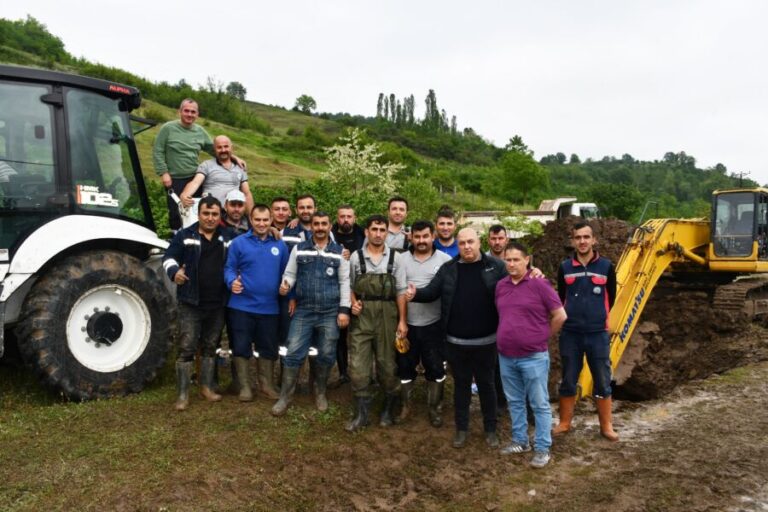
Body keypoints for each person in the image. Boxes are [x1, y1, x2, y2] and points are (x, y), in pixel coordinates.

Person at [406, 228, 506, 448]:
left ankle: (491, 430)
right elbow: (432, 291)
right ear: (457, 246)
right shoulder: (449, 268)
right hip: (455, 342)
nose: (466, 247)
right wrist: (416, 294)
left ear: (479, 243)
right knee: (461, 387)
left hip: (487, 341)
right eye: (462, 243)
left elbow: (515, 285)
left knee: (487, 386)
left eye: (471, 242)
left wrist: (533, 273)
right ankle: (462, 429)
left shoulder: (495, 267)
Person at [271, 212, 351, 415]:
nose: (320, 227)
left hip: (329, 312)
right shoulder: (299, 249)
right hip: (304, 311)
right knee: (293, 352)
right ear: (311, 227)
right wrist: (286, 285)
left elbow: (344, 282)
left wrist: (343, 310)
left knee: (325, 353)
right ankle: (285, 397)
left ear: (329, 226)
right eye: (317, 224)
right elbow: (290, 273)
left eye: (324, 224)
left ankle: (320, 392)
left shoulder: (339, 252)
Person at [496, 242, 567, 468]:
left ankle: (543, 448)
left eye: (516, 259)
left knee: (539, 403)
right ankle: (520, 441)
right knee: (515, 401)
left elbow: (560, 315)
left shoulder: (540, 285)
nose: (511, 264)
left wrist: (542, 336)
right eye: (508, 259)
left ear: (527, 260)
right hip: (506, 355)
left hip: (533, 356)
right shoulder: (501, 286)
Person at [162, 195, 233, 411]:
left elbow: (251, 239)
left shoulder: (228, 237)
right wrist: (174, 272)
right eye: (206, 214)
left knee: (211, 346)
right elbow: (168, 258)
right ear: (199, 214)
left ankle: (206, 387)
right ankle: (183, 395)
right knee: (186, 347)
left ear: (220, 215)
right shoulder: (185, 236)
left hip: (217, 303)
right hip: (191, 302)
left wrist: (277, 231)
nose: (210, 218)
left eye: (214, 214)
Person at [553, 221, 619, 441]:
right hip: (570, 334)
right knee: (569, 378)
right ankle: (564, 423)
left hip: (597, 334)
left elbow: (612, 296)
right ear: (573, 241)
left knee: (602, 379)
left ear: (594, 240)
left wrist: (599, 319)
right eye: (578, 237)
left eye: (586, 237)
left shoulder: (606, 267)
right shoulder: (565, 267)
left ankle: (606, 426)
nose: (582, 241)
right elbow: (562, 298)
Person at [346, 214, 408, 431]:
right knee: (358, 367)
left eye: (382, 230)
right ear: (367, 232)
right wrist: (353, 303)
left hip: (387, 315)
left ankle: (388, 408)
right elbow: (350, 286)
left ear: (386, 233)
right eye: (374, 229)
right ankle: (361, 414)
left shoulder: (396, 258)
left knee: (387, 366)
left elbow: (401, 291)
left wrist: (402, 321)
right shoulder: (356, 257)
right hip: (362, 317)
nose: (378, 234)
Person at [224, 204, 289, 402]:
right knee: (241, 346)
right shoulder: (238, 243)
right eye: (257, 220)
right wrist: (231, 281)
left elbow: (288, 272)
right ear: (251, 220)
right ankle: (245, 387)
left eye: (265, 220)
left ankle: (267, 385)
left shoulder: (280, 245)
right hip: (241, 306)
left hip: (270, 308)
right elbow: (228, 268)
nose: (261, 223)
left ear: (271, 221)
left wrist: (287, 288)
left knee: (268, 347)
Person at [152, 99, 244, 231]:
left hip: (195, 178)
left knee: (197, 210)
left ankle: (199, 237)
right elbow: (158, 150)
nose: (189, 114)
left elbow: (214, 149)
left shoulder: (200, 131)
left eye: (193, 112)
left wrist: (234, 157)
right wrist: (163, 172)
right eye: (187, 111)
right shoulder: (168, 128)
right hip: (174, 178)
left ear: (197, 114)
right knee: (176, 211)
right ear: (180, 111)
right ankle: (176, 237)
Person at [398, 220, 452, 427]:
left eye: (425, 236)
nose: (421, 241)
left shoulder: (446, 261)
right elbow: (398, 292)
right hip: (407, 325)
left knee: (436, 368)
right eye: (417, 236)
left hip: (434, 325)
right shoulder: (401, 260)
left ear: (433, 237)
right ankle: (406, 405)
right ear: (411, 237)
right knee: (404, 367)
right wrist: (401, 321)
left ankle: (434, 408)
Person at [330, 204, 365, 385]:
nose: (345, 220)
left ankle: (363, 372)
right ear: (337, 217)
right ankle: (343, 372)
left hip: (360, 291)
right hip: (338, 290)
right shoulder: (330, 234)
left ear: (354, 217)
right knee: (340, 335)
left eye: (349, 216)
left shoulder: (363, 234)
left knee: (361, 334)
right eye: (342, 216)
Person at [179, 135, 253, 213]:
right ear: (214, 149)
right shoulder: (206, 165)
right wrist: (184, 194)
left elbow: (247, 193)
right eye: (219, 147)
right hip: (211, 212)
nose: (223, 150)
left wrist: (251, 216)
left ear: (231, 147)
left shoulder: (240, 168)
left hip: (233, 213)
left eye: (226, 146)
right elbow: (195, 182)